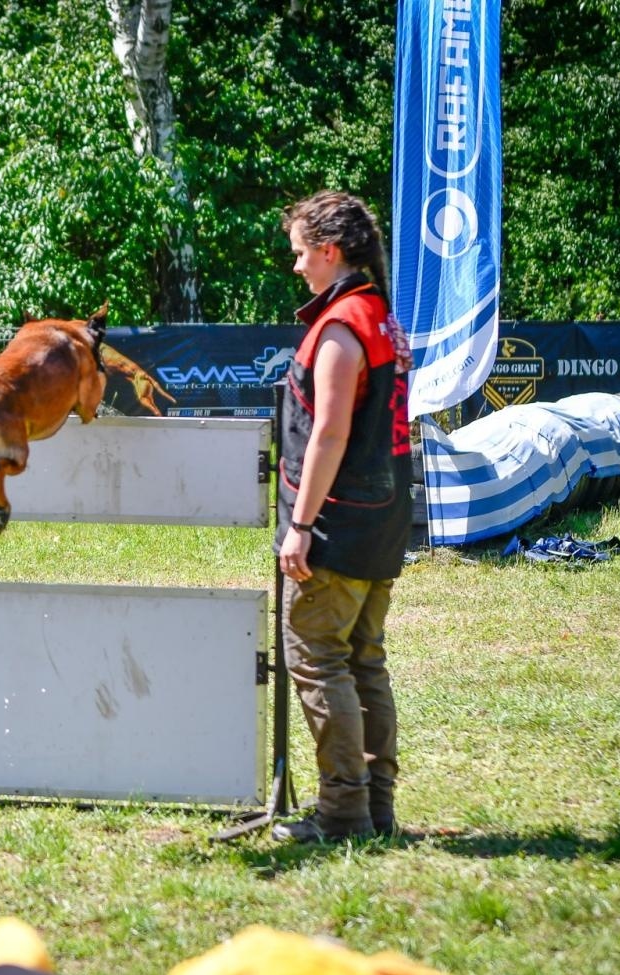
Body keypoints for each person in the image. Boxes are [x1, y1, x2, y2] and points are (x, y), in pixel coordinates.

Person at [271, 191, 413, 843]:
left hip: (338, 524)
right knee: (364, 662)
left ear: (330, 252)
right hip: (383, 520)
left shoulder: (341, 326)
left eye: (301, 253)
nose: (297, 265)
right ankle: (376, 809)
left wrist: (299, 526)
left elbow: (328, 434)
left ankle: (343, 814)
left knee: (319, 659)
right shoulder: (379, 314)